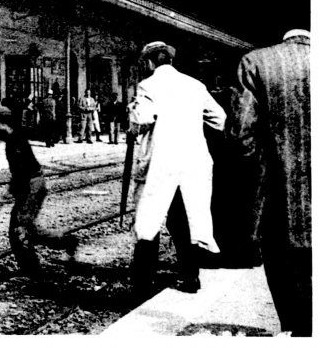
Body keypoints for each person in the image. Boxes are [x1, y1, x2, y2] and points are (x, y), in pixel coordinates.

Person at [227, 29, 310, 336]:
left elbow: (240, 136)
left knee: (296, 310)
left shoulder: (256, 62)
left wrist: (262, 173)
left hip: (281, 205)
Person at [127, 41, 225, 295]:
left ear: (149, 62)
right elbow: (220, 119)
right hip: (194, 161)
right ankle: (190, 278)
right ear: (170, 60)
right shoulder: (195, 85)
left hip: (162, 163)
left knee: (150, 219)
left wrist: (132, 115)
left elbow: (143, 120)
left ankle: (143, 283)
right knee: (186, 219)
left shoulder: (148, 85)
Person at [0, 100, 78, 276]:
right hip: (31, 185)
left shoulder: (15, 141)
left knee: (19, 229)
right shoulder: (13, 139)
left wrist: (11, 193)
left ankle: (32, 271)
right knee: (29, 228)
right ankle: (65, 242)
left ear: (3, 123)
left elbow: (23, 172)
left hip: (32, 186)